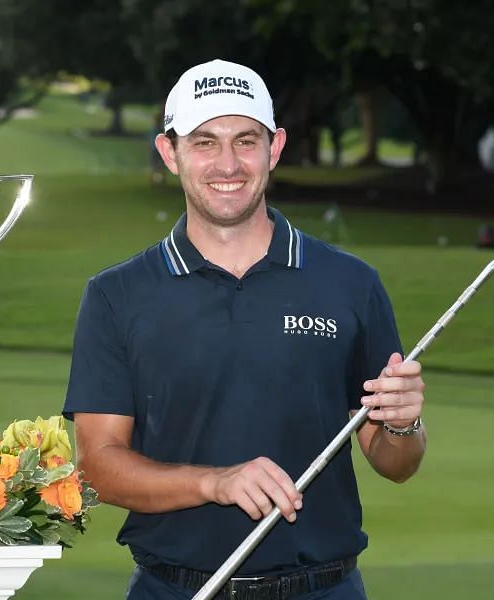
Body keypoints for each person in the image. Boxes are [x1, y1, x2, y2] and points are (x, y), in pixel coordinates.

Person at [64, 59, 426, 600]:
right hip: (174, 589)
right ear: (170, 153)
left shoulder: (350, 283)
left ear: (275, 147)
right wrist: (215, 482)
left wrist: (403, 425)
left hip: (323, 588)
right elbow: (98, 467)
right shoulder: (117, 295)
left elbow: (395, 462)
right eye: (205, 142)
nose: (228, 163)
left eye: (246, 140)